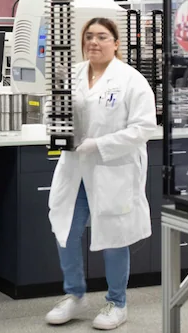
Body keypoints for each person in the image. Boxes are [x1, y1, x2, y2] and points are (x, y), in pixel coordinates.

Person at [46, 17, 158, 330]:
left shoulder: (131, 80)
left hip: (112, 168)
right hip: (75, 168)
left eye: (102, 37)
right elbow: (53, 109)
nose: (94, 42)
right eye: (89, 37)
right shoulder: (71, 75)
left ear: (116, 42)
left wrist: (102, 144)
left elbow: (144, 127)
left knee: (113, 236)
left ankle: (117, 302)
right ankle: (75, 295)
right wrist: (54, 124)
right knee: (65, 230)